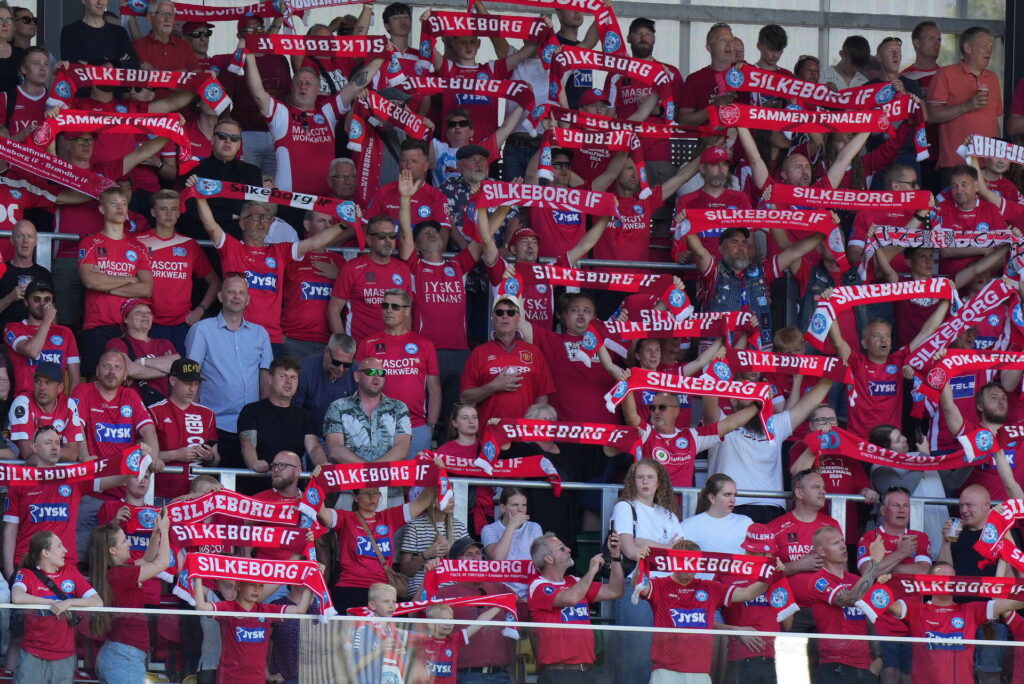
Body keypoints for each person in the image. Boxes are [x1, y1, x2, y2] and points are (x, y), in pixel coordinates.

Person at [191, 183, 354, 353]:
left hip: (271, 338)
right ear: (242, 223)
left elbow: (315, 242)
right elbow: (211, 226)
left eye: (267, 218)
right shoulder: (232, 249)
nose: (262, 222)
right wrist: (200, 197)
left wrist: (343, 224)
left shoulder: (279, 251)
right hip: (237, 333)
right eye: (255, 217)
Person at [635, 539, 781, 684]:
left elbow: (747, 594)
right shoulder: (660, 585)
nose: (688, 568)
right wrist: (639, 563)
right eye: (683, 562)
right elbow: (640, 585)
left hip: (700, 672)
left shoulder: (709, 588)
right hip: (666, 671)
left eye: (693, 563)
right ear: (673, 561)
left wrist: (770, 573)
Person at [244, 48, 383, 195]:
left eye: (308, 83)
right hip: (290, 202)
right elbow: (258, 94)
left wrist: (381, 57)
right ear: (291, 87)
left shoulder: (327, 110)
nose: (302, 86)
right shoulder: (281, 113)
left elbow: (356, 84)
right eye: (298, 83)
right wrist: (250, 57)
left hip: (323, 204)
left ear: (318, 89)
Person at [706, 376, 835, 522]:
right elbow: (709, 401)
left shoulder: (775, 425)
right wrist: (715, 370)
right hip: (734, 508)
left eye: (757, 391)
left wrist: (833, 373)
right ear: (733, 400)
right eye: (747, 391)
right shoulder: (721, 424)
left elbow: (809, 403)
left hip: (774, 509)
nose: (755, 395)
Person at [310, 464, 436, 611]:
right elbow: (321, 511)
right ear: (355, 497)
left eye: (376, 493)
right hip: (350, 587)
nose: (372, 497)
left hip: (382, 590)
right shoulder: (345, 517)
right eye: (367, 493)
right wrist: (316, 482)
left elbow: (423, 501)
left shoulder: (389, 516)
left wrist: (435, 473)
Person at [185, 274, 274, 469]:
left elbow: (265, 377)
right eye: (231, 292)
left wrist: (263, 418)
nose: (236, 297)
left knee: (247, 487)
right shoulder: (202, 330)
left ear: (248, 299)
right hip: (214, 424)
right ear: (220, 296)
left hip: (250, 427)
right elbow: (192, 376)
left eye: (241, 293)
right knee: (212, 485)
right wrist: (195, 417)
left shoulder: (260, 334)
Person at [608, 458, 682, 684]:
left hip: (668, 588)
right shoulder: (625, 506)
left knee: (664, 655)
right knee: (636, 656)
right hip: (637, 586)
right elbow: (630, 550)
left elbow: (682, 553)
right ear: (633, 481)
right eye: (640, 477)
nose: (645, 482)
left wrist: (647, 542)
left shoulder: (668, 513)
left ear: (659, 482)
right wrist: (667, 547)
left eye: (650, 477)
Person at [856, 486, 931, 684]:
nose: (901, 510)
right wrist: (902, 554)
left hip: (913, 620)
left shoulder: (919, 537)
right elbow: (867, 573)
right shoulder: (870, 538)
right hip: (881, 620)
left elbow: (923, 571)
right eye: (896, 505)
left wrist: (884, 566)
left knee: (909, 676)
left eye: (905, 506)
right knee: (888, 673)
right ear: (883, 510)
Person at [77, 185, 154, 377]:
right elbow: (90, 281)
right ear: (102, 209)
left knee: (130, 383)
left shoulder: (138, 247)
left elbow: (146, 289)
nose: (120, 208)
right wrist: (128, 279)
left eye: (124, 204)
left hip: (130, 328)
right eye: (114, 203)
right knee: (97, 382)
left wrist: (106, 286)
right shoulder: (90, 242)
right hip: (97, 325)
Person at [527, 531, 624, 682]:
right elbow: (570, 598)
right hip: (557, 673)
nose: (569, 549)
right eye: (561, 548)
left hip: (586, 671)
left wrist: (616, 557)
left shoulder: (574, 581)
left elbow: (615, 590)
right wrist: (592, 570)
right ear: (548, 558)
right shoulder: (537, 585)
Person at [89, 511, 171, 684]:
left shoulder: (117, 572)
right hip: (124, 657)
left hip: (119, 653)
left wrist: (156, 534)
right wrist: (165, 530)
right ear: (112, 549)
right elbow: (163, 562)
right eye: (124, 540)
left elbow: (147, 559)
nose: (129, 544)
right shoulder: (119, 575)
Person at [356, 288, 440, 458]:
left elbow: (434, 389)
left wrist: (430, 426)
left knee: (416, 483)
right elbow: (357, 386)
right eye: (385, 305)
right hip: (376, 426)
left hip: (415, 427)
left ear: (407, 310)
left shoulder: (424, 344)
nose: (388, 310)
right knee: (378, 482)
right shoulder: (368, 344)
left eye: (395, 306)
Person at [11, 531, 102, 684]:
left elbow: (97, 602)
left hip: (65, 656)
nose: (65, 550)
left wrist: (69, 602)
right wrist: (49, 602)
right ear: (45, 552)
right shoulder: (26, 573)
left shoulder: (70, 571)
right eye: (59, 546)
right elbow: (17, 597)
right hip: (33, 655)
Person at [136, 189, 219, 353]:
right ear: (153, 212)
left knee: (182, 375)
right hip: (147, 323)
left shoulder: (189, 244)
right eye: (163, 209)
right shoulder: (139, 242)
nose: (169, 214)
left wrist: (200, 310)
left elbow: (215, 283)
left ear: (179, 213)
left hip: (182, 324)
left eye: (174, 209)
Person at [192, 575, 312, 683]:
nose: (257, 589)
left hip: (257, 681)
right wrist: (197, 576)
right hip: (229, 680)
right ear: (238, 586)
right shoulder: (227, 608)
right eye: (252, 584)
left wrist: (311, 580)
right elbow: (201, 607)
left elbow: (300, 610)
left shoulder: (267, 610)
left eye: (260, 585)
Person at [459, 294, 555, 425]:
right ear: (493, 318)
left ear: (518, 318)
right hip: (490, 431)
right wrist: (493, 386)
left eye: (510, 312)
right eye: (499, 312)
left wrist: (535, 429)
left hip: (525, 434)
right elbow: (465, 398)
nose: (505, 316)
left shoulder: (535, 352)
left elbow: (542, 397)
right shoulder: (479, 353)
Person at [432, 537, 516, 680]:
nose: (475, 558)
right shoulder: (445, 593)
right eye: (468, 555)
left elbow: (522, 611)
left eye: (477, 553)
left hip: (501, 673)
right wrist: (429, 574)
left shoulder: (499, 587)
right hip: (466, 674)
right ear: (455, 562)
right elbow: (418, 615)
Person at [809, 529, 886, 682]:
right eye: (835, 543)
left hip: (866, 665)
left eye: (842, 541)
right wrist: (874, 563)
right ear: (822, 551)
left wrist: (878, 659)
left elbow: (870, 619)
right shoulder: (819, 580)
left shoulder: (855, 579)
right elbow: (850, 598)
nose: (843, 546)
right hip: (835, 664)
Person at [928, 27, 1001, 180]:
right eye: (984, 46)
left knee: (989, 204)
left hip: (988, 163)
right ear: (967, 48)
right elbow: (931, 115)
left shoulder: (993, 78)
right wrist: (967, 106)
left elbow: (994, 121)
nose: (989, 51)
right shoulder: (945, 74)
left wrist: (998, 155)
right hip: (956, 163)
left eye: (991, 46)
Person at [327, 215, 414, 342]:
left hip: (392, 349)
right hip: (359, 348)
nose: (388, 240)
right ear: (369, 239)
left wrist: (403, 343)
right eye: (382, 236)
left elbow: (406, 312)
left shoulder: (403, 269)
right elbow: (333, 310)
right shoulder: (352, 267)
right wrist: (344, 346)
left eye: (392, 236)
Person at [238, 355, 324, 479]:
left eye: (293, 377)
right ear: (270, 379)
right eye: (283, 376)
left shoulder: (305, 417)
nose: (289, 381)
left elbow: (314, 447)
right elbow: (247, 444)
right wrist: (254, 463)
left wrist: (322, 465)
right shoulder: (251, 411)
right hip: (261, 481)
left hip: (294, 486)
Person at [179, 118, 262, 241]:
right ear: (212, 140)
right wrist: (230, 215)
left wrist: (210, 204)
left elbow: (251, 210)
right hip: (200, 240)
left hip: (236, 241)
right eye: (222, 136)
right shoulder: (193, 169)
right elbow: (188, 209)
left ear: (239, 145)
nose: (228, 141)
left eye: (234, 138)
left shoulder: (252, 172)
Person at [281, 211, 349, 359]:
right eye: (321, 221)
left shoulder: (340, 262)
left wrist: (339, 277)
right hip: (293, 340)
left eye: (330, 222)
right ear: (307, 225)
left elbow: (355, 300)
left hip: (329, 342)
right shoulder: (291, 258)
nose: (327, 226)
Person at [148, 358, 218, 500]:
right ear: (173, 381)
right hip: (161, 496)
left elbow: (216, 460)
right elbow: (142, 456)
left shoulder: (207, 414)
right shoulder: (154, 411)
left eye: (196, 384)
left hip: (198, 498)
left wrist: (209, 457)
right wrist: (175, 455)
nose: (193, 389)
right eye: (187, 384)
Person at [323, 356, 412, 464]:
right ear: (357, 376)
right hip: (350, 479)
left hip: (388, 479)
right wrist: (368, 471)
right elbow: (335, 450)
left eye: (381, 373)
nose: (376, 376)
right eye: (370, 372)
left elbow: (402, 449)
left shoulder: (399, 408)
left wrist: (373, 471)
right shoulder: (338, 407)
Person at [4, 279, 80, 397]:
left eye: (47, 300)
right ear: (26, 302)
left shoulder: (65, 332)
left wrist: (71, 406)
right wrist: (47, 321)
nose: (42, 304)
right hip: (25, 401)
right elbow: (32, 352)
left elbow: (74, 376)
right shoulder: (13, 328)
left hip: (58, 404)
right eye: (37, 299)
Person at [7, 362, 86, 463]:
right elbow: (28, 453)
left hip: (55, 472)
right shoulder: (22, 402)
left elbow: (72, 454)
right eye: (38, 382)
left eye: (48, 382)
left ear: (60, 387)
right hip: (23, 472)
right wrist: (55, 453)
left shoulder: (68, 405)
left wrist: (43, 453)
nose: (42, 387)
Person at [105, 297, 180, 403]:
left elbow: (177, 365)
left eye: (148, 312)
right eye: (138, 312)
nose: (145, 315)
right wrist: (164, 371)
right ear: (126, 319)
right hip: (131, 406)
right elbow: (130, 369)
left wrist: (141, 362)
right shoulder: (117, 343)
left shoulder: (164, 343)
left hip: (162, 407)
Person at [398, 488, 468, 599]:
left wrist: (450, 550)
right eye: (447, 496)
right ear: (433, 501)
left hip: (453, 593)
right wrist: (426, 555)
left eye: (453, 496)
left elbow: (470, 568)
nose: (453, 500)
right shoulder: (414, 526)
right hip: (421, 592)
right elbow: (404, 571)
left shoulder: (459, 527)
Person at [481, 487, 543, 596]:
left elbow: (540, 563)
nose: (520, 509)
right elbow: (498, 558)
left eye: (524, 505)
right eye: (515, 505)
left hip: (529, 590)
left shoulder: (534, 528)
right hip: (500, 591)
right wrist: (511, 527)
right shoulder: (489, 529)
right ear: (503, 508)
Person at [679, 23, 743, 126]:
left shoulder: (747, 72)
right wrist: (714, 107)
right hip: (708, 141)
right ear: (709, 48)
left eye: (732, 39)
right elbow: (684, 121)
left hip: (744, 141)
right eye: (722, 40)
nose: (729, 44)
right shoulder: (695, 80)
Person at [293, 333, 358, 429]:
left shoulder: (357, 372)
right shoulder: (304, 370)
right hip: (310, 434)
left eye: (346, 365)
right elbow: (294, 412)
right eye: (336, 362)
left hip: (345, 435)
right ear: (327, 351)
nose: (340, 368)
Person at [60, 0, 138, 67]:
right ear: (83, 0)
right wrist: (116, 64)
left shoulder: (120, 32)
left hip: (115, 85)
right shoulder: (70, 31)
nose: (100, 2)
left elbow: (133, 64)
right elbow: (71, 67)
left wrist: (89, 65)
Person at [133, 1, 199, 71]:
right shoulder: (138, 45)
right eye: (163, 14)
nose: (167, 19)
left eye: (170, 14)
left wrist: (156, 71)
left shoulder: (185, 46)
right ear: (150, 18)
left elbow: (197, 75)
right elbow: (148, 75)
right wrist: (180, 73)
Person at [0, 48, 49, 142]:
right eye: (36, 63)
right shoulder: (5, 99)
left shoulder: (54, 101)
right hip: (14, 156)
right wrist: (20, 137)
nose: (43, 68)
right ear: (24, 69)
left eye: (46, 64)